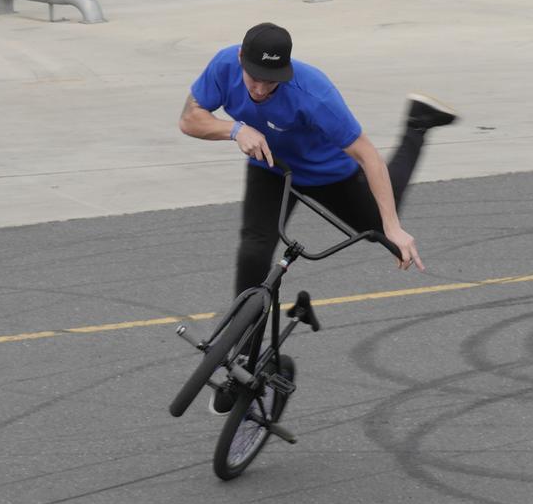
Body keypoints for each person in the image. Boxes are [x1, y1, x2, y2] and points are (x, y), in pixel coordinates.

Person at [179, 22, 456, 414]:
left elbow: (367, 155)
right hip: (271, 167)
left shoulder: (314, 93)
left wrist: (393, 227)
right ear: (241, 59)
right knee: (254, 251)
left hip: (331, 175)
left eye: (271, 81)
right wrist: (234, 129)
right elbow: (189, 119)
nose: (261, 89)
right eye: (255, 78)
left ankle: (418, 124)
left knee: (382, 226)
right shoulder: (224, 65)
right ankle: (242, 357)